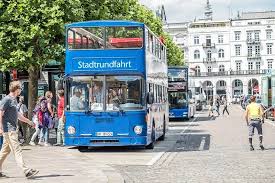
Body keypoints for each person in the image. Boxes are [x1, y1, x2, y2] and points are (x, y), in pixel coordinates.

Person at [0, 81, 39, 178]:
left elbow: (18, 115)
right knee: (17, 150)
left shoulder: (14, 100)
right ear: (16, 89)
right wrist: (0, 128)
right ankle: (26, 171)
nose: (21, 90)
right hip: (9, 130)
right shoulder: (6, 100)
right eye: (20, 88)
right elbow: (0, 114)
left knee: (5, 151)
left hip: (12, 129)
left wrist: (29, 121)